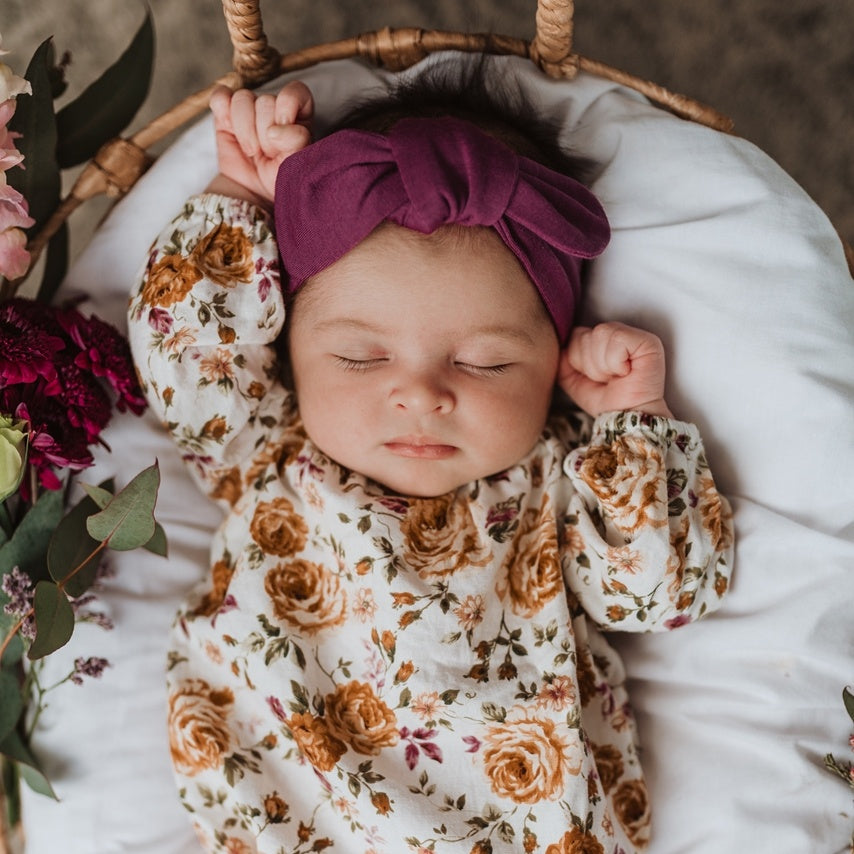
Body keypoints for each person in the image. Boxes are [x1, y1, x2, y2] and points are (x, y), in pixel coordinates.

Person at [128, 66, 733, 854]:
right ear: (290, 354)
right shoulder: (268, 446)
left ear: (554, 362)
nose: (420, 394)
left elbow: (659, 595)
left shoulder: (556, 477)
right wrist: (240, 198)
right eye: (356, 356)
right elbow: (184, 351)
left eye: (484, 363)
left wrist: (633, 423)